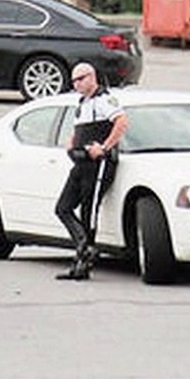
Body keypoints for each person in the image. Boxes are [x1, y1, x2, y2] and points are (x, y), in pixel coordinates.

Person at [54, 63, 128, 281]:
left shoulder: (105, 100)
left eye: (80, 79)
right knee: (63, 208)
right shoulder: (81, 103)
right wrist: (71, 143)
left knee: (89, 211)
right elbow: (79, 130)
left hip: (99, 164)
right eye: (74, 81)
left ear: (92, 77)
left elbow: (122, 123)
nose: (76, 84)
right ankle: (84, 246)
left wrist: (104, 147)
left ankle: (82, 264)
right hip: (80, 163)